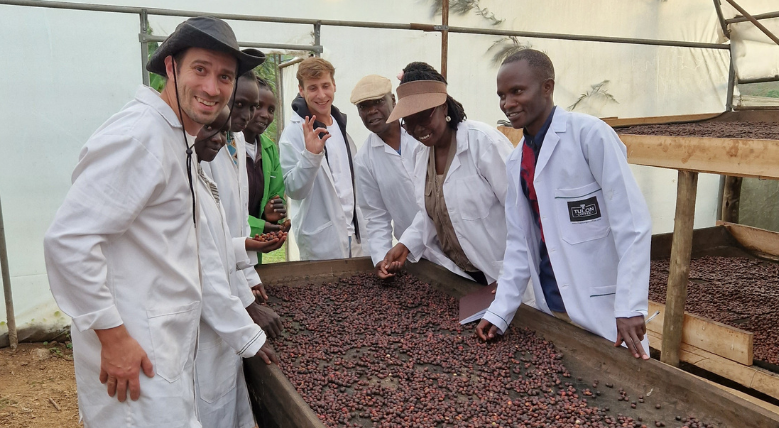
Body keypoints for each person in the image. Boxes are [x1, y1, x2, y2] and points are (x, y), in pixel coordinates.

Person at [43, 17, 264, 427]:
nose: (212, 88)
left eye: (225, 76)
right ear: (171, 68)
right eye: (200, 69)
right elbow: (68, 240)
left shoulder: (175, 136)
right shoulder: (141, 134)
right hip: (136, 357)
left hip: (163, 348)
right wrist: (113, 336)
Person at [476, 49, 652, 360]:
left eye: (517, 91)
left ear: (547, 87)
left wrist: (629, 306)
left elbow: (633, 226)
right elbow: (520, 243)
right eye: (502, 95)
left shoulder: (590, 136)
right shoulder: (518, 160)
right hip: (552, 308)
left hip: (605, 311)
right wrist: (500, 311)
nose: (507, 103)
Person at [381, 62, 513, 286]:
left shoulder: (484, 143)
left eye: (424, 117)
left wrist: (512, 278)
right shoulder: (422, 155)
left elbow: (522, 214)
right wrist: (405, 245)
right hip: (463, 277)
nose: (417, 129)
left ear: (443, 106)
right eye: (408, 123)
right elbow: (435, 213)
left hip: (502, 275)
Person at [193, 106, 278, 428]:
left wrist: (245, 245)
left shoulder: (224, 149)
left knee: (223, 400)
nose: (218, 137)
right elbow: (199, 262)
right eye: (209, 129)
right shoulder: (175, 168)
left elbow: (215, 239)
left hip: (220, 297)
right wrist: (247, 326)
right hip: (189, 317)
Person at [351, 74, 466, 279]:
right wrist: (381, 258)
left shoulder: (425, 136)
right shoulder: (364, 159)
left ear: (393, 101)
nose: (371, 111)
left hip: (462, 241)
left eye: (378, 102)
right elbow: (375, 216)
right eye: (363, 107)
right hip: (420, 254)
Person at [201, 62, 285, 309]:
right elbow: (209, 233)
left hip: (233, 263)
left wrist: (249, 275)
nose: (247, 115)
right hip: (212, 272)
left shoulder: (235, 139)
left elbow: (239, 219)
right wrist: (247, 248)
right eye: (239, 105)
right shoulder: (205, 147)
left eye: (254, 106)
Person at [279, 57, 367, 260]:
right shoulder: (294, 133)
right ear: (301, 90)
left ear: (334, 85)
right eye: (312, 88)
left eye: (325, 86)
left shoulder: (340, 125)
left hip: (355, 234)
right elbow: (294, 190)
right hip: (322, 241)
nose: (321, 95)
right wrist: (311, 155)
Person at [242, 76, 288, 240]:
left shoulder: (269, 149)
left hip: (257, 244)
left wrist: (273, 213)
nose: (265, 115)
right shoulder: (223, 145)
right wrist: (261, 227)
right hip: (230, 239)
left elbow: (276, 194)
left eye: (271, 110)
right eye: (258, 106)